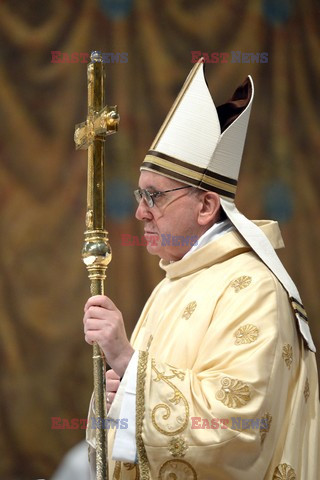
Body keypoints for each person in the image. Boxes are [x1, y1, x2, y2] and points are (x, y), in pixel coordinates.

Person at [83, 60, 319, 479]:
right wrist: (121, 396)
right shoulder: (173, 282)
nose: (139, 212)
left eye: (153, 197)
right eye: (140, 194)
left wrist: (124, 357)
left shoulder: (254, 289)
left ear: (207, 206)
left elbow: (237, 429)